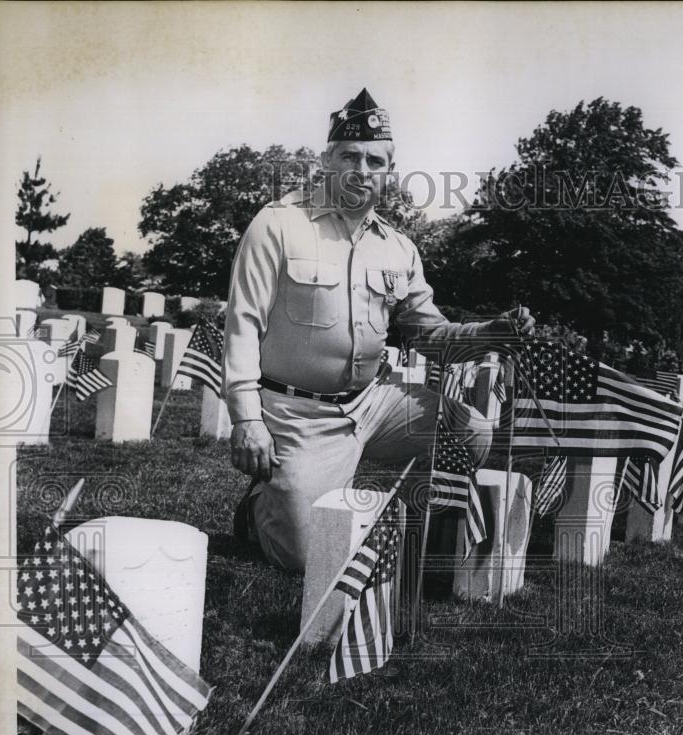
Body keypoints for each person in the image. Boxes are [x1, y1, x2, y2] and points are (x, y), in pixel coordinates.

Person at [223, 88, 533, 572]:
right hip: (297, 412)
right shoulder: (278, 225)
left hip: (375, 402)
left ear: (389, 169)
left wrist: (490, 333)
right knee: (306, 559)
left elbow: (428, 334)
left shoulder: (398, 247)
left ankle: (416, 528)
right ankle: (260, 507)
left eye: (375, 160)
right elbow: (242, 323)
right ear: (326, 160)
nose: (361, 170)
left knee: (469, 430)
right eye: (349, 156)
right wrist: (247, 419)